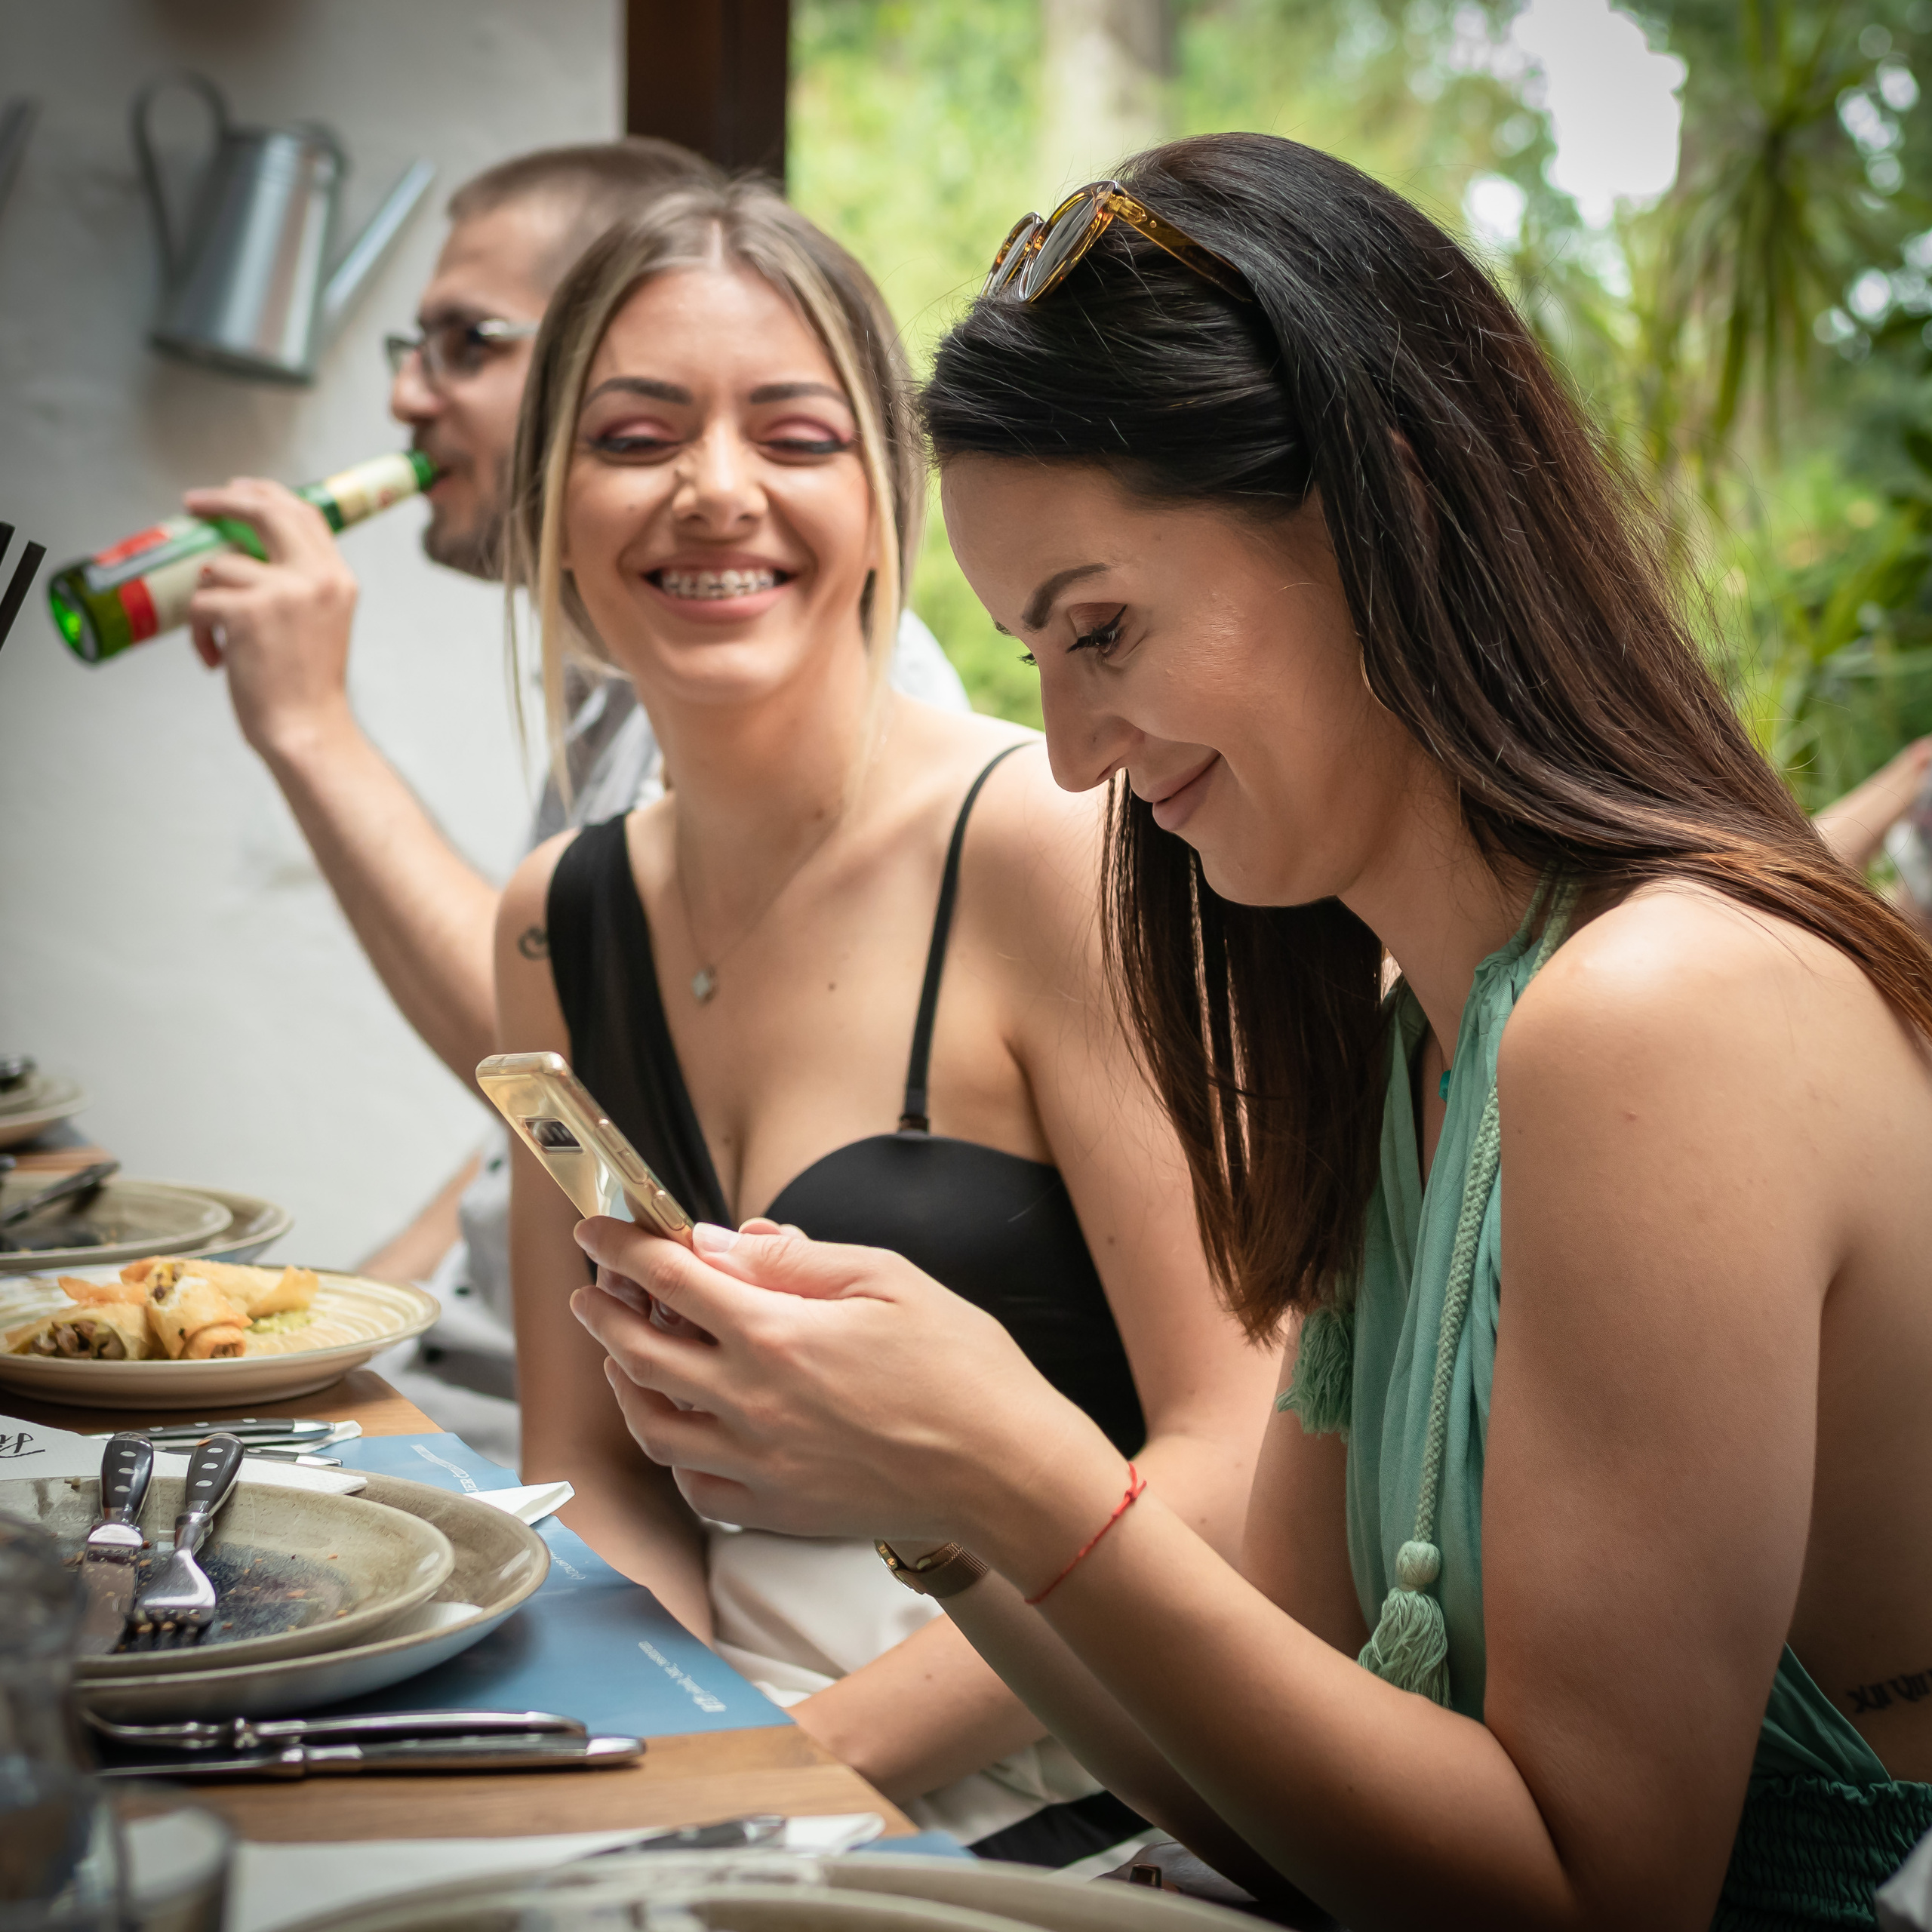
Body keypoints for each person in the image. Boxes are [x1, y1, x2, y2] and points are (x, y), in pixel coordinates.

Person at [565, 134, 1932, 1930]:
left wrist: (1020, 1460)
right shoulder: (1411, 1034)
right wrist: (941, 1494)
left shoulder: (1654, 1012)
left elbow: (1590, 1893)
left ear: (1384, 507)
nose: (1070, 753)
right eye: (1035, 654)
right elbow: (1268, 1775)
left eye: (1103, 627)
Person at [491, 176, 1277, 1861]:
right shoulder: (556, 917)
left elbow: (1238, 1455)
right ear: (545, 501)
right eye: (635, 437)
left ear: (887, 501)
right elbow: (591, 1473)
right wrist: (670, 1760)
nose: (715, 489)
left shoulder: (1057, 840)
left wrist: (800, 1772)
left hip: (1084, 1777)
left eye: (793, 435)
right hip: (704, 1748)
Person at [177, 142, 968, 1454]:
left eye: (464, 345)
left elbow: (600, 1105)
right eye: (643, 439)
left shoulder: (860, 740)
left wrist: (312, 731)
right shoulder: (617, 701)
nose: (407, 395)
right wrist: (335, 1327)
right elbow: (531, 1125)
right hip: (521, 1387)